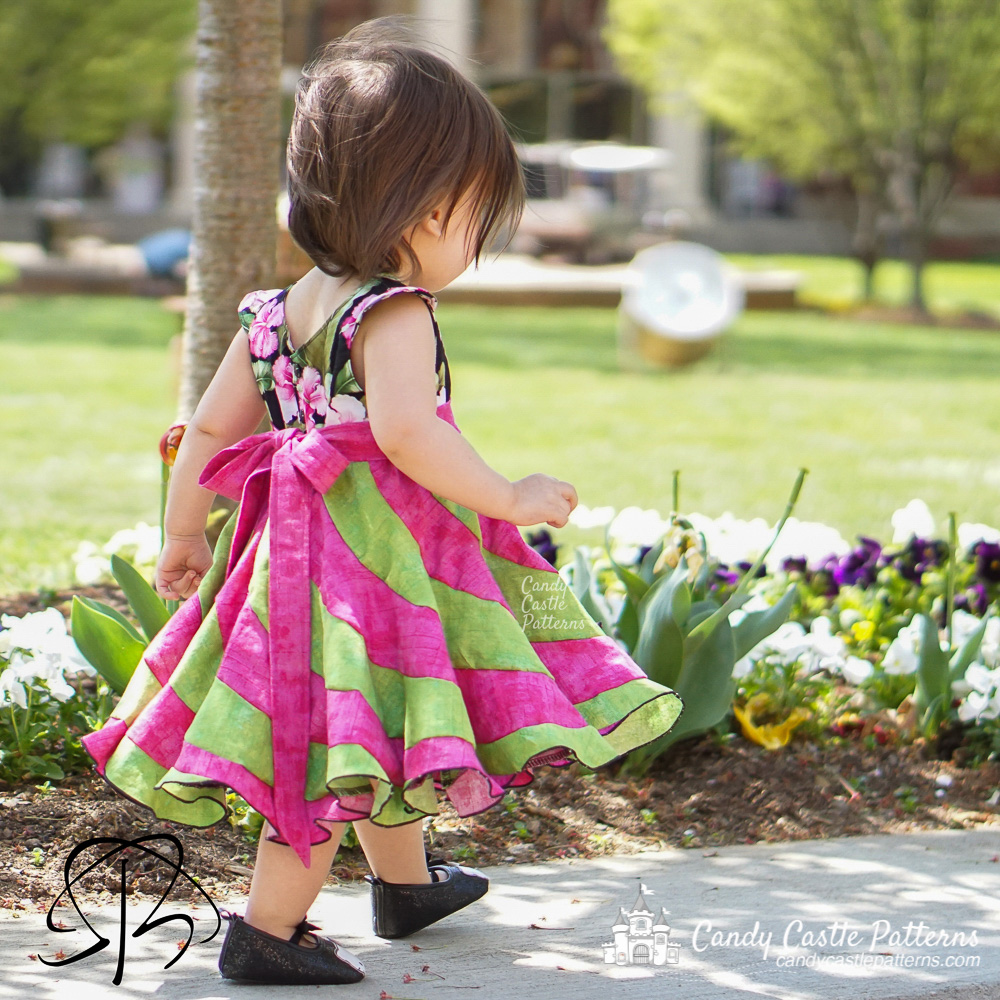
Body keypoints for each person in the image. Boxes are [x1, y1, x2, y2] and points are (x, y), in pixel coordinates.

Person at [79, 16, 684, 987]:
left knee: (381, 721)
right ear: (418, 208)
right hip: (367, 571)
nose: (477, 242)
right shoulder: (393, 311)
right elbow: (408, 433)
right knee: (331, 744)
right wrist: (508, 494)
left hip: (290, 564)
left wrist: (184, 534)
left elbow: (206, 432)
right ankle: (268, 931)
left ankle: (406, 885)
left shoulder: (277, 312)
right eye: (473, 216)